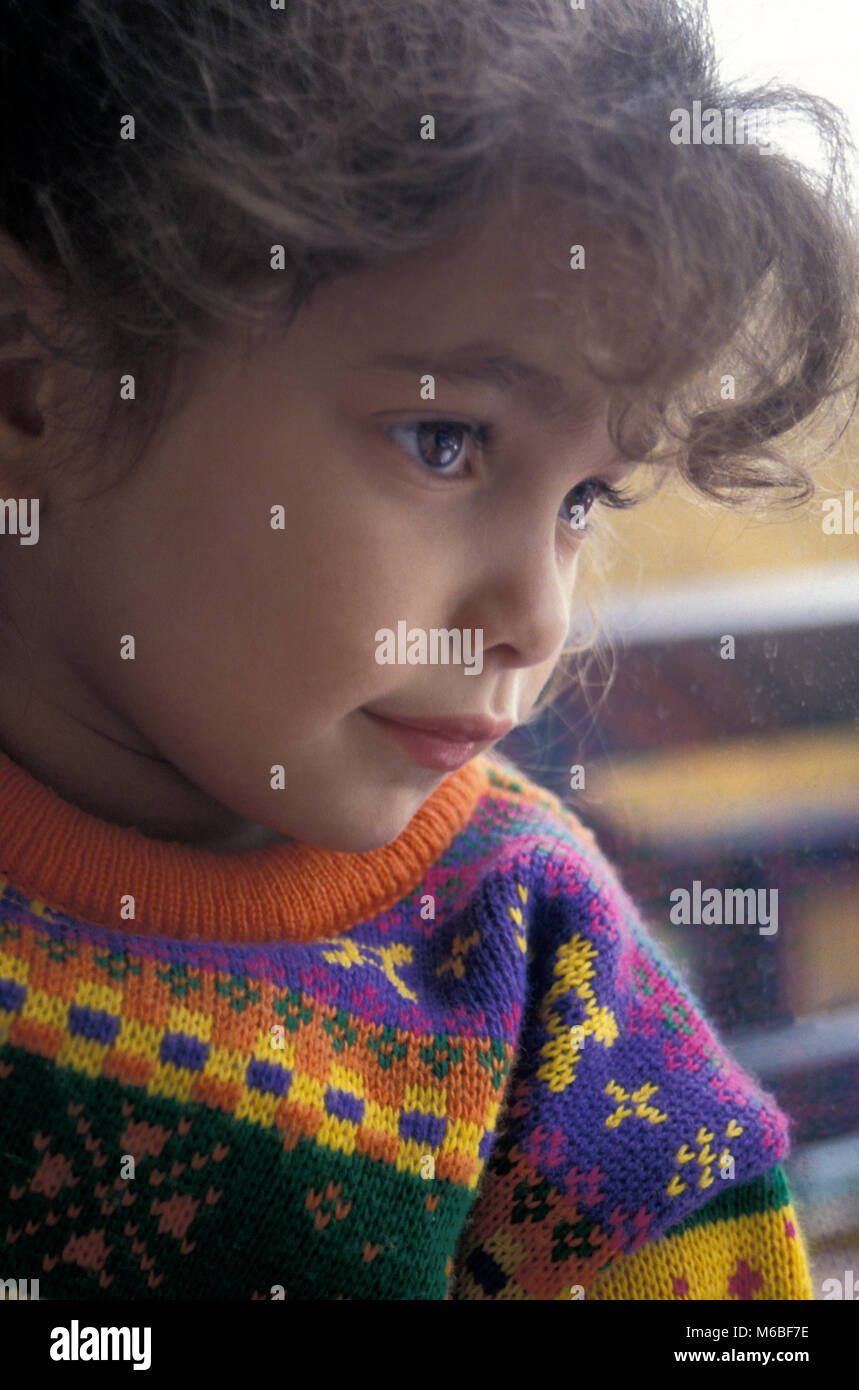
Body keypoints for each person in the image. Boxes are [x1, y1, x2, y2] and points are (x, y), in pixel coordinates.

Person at [0, 0, 855, 1300]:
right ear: (31, 371)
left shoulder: (548, 986)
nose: (541, 617)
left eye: (586, 502)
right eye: (446, 441)